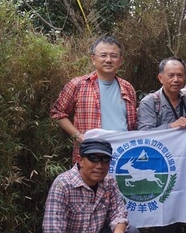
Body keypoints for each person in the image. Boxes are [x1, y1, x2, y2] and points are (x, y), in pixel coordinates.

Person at [137, 57, 186, 233]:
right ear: (160, 77)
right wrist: (171, 126)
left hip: (180, 162)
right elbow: (142, 134)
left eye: (180, 75)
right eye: (171, 75)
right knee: (165, 205)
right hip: (157, 164)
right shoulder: (149, 102)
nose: (176, 79)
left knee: (180, 202)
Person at [51, 36, 136, 164]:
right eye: (103, 55)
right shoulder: (78, 85)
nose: (108, 60)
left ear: (120, 60)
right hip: (90, 155)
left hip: (122, 155)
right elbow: (57, 113)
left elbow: (133, 124)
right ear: (93, 59)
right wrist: (77, 136)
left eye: (113, 56)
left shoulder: (127, 88)